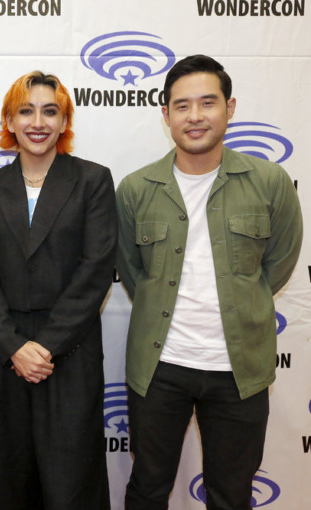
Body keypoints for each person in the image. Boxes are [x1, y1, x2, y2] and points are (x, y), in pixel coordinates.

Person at [116, 55, 303, 509]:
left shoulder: (270, 182)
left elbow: (278, 263)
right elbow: (132, 271)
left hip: (239, 372)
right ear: (165, 115)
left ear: (230, 107)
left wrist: (243, 299)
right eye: (181, 106)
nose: (195, 116)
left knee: (232, 494)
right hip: (160, 369)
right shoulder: (136, 189)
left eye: (207, 103)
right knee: (147, 488)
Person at [0, 71, 116, 509]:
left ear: (64, 120)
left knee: (70, 484)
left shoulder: (92, 181)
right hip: (5, 356)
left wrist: (44, 347)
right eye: (26, 111)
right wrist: (15, 346)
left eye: (50, 111)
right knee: (3, 480)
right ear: (9, 121)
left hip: (68, 355)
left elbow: (95, 271)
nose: (38, 121)